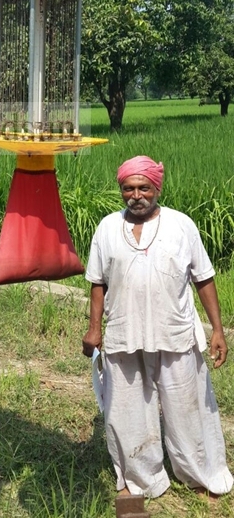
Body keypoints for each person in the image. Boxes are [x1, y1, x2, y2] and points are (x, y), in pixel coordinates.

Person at [82, 155, 233, 499]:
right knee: (127, 411)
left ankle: (200, 474)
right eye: (128, 188)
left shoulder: (182, 225)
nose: (136, 195)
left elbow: (204, 278)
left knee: (187, 409)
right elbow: (97, 282)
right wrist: (94, 328)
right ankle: (142, 479)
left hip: (174, 332)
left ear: (156, 188)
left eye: (143, 188)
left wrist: (218, 329)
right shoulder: (107, 228)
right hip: (123, 332)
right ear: (121, 190)